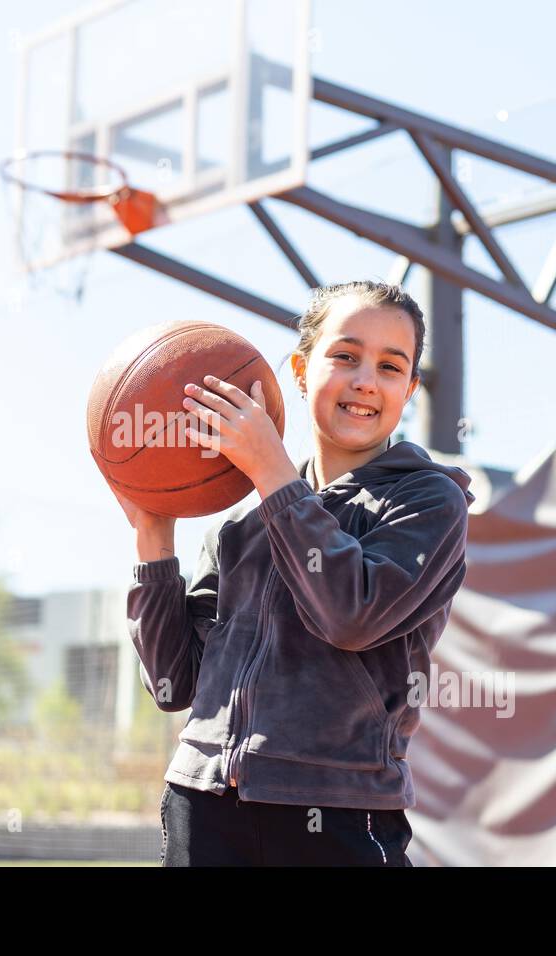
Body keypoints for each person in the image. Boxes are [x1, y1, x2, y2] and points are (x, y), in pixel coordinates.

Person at [114, 280, 475, 867]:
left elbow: (350, 616)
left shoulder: (429, 501)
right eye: (345, 356)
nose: (365, 380)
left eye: (390, 366)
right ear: (303, 369)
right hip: (202, 802)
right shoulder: (242, 524)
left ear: (409, 390)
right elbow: (172, 684)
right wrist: (153, 536)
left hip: (336, 809)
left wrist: (273, 476)